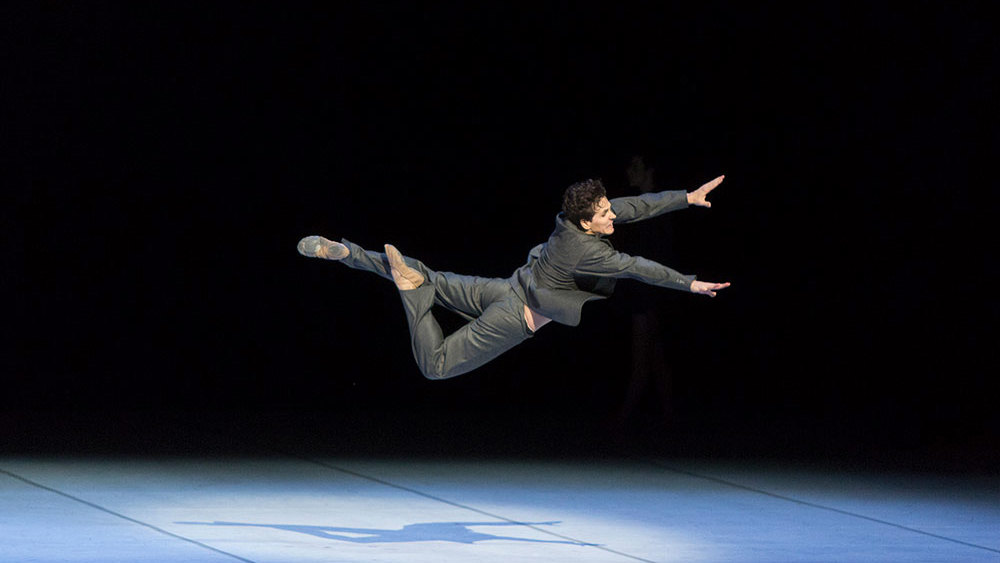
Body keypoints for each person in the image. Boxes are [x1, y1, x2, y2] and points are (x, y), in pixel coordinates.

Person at [297, 175, 730, 380]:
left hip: (502, 287)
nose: (612, 214)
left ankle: (347, 252)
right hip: (513, 315)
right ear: (586, 224)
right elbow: (637, 268)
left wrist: (685, 198)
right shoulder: (588, 251)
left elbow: (632, 206)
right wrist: (688, 283)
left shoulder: (570, 220)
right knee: (436, 364)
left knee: (423, 272)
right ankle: (411, 294)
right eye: (604, 213)